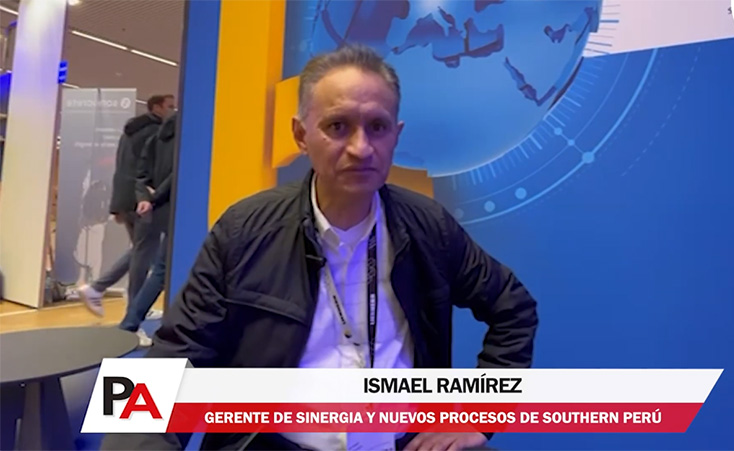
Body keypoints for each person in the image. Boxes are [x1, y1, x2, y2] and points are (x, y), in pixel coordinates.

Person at [102, 45, 538, 451]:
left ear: (396, 135)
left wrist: (480, 414)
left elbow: (513, 309)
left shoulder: (428, 227)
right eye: (337, 126)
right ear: (300, 134)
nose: (361, 148)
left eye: (378, 127)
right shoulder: (244, 230)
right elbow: (173, 355)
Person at [78, 95, 175, 331]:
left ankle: (110, 293)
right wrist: (150, 196)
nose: (172, 111)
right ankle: (131, 310)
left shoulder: (131, 131)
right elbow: (149, 170)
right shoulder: (156, 133)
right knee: (145, 254)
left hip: (128, 196)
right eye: (169, 106)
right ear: (156, 107)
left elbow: (126, 167)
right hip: (143, 199)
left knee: (142, 250)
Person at [118, 111, 179, 345]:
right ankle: (132, 323)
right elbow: (177, 175)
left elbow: (141, 174)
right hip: (182, 210)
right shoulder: (189, 139)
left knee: (159, 270)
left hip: (160, 211)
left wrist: (145, 198)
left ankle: (130, 323)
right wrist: (153, 197)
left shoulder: (156, 138)